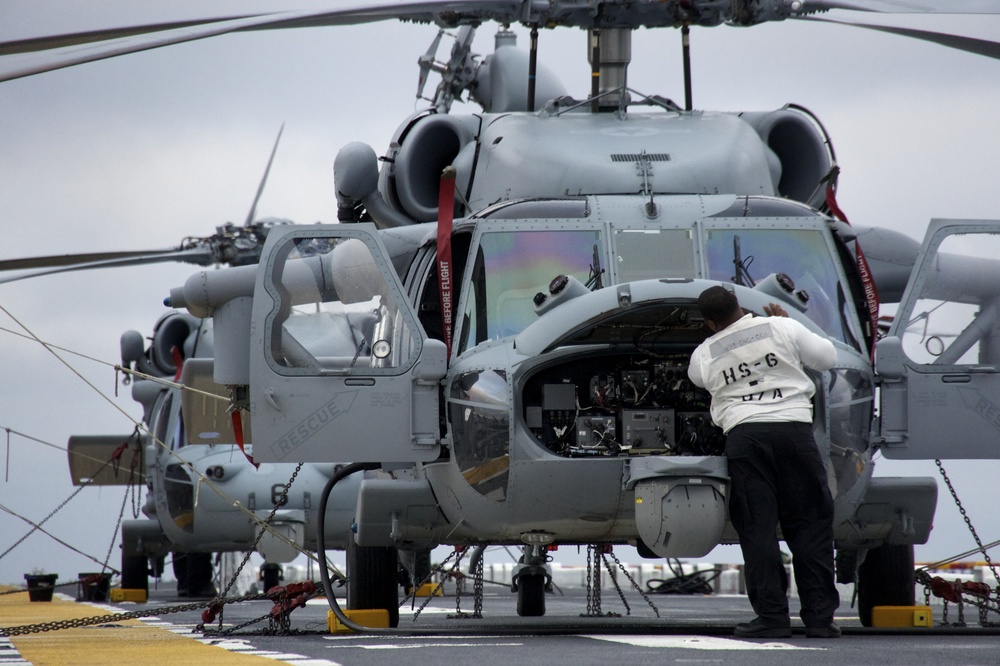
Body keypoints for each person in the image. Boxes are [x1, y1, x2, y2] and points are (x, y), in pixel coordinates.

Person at [687, 285, 841, 639]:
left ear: (710, 322)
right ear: (739, 305)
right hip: (795, 435)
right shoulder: (781, 327)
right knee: (811, 528)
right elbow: (828, 358)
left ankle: (772, 617)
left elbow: (697, 379)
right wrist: (786, 324)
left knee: (757, 530)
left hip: (746, 440)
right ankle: (819, 619)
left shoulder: (704, 353)